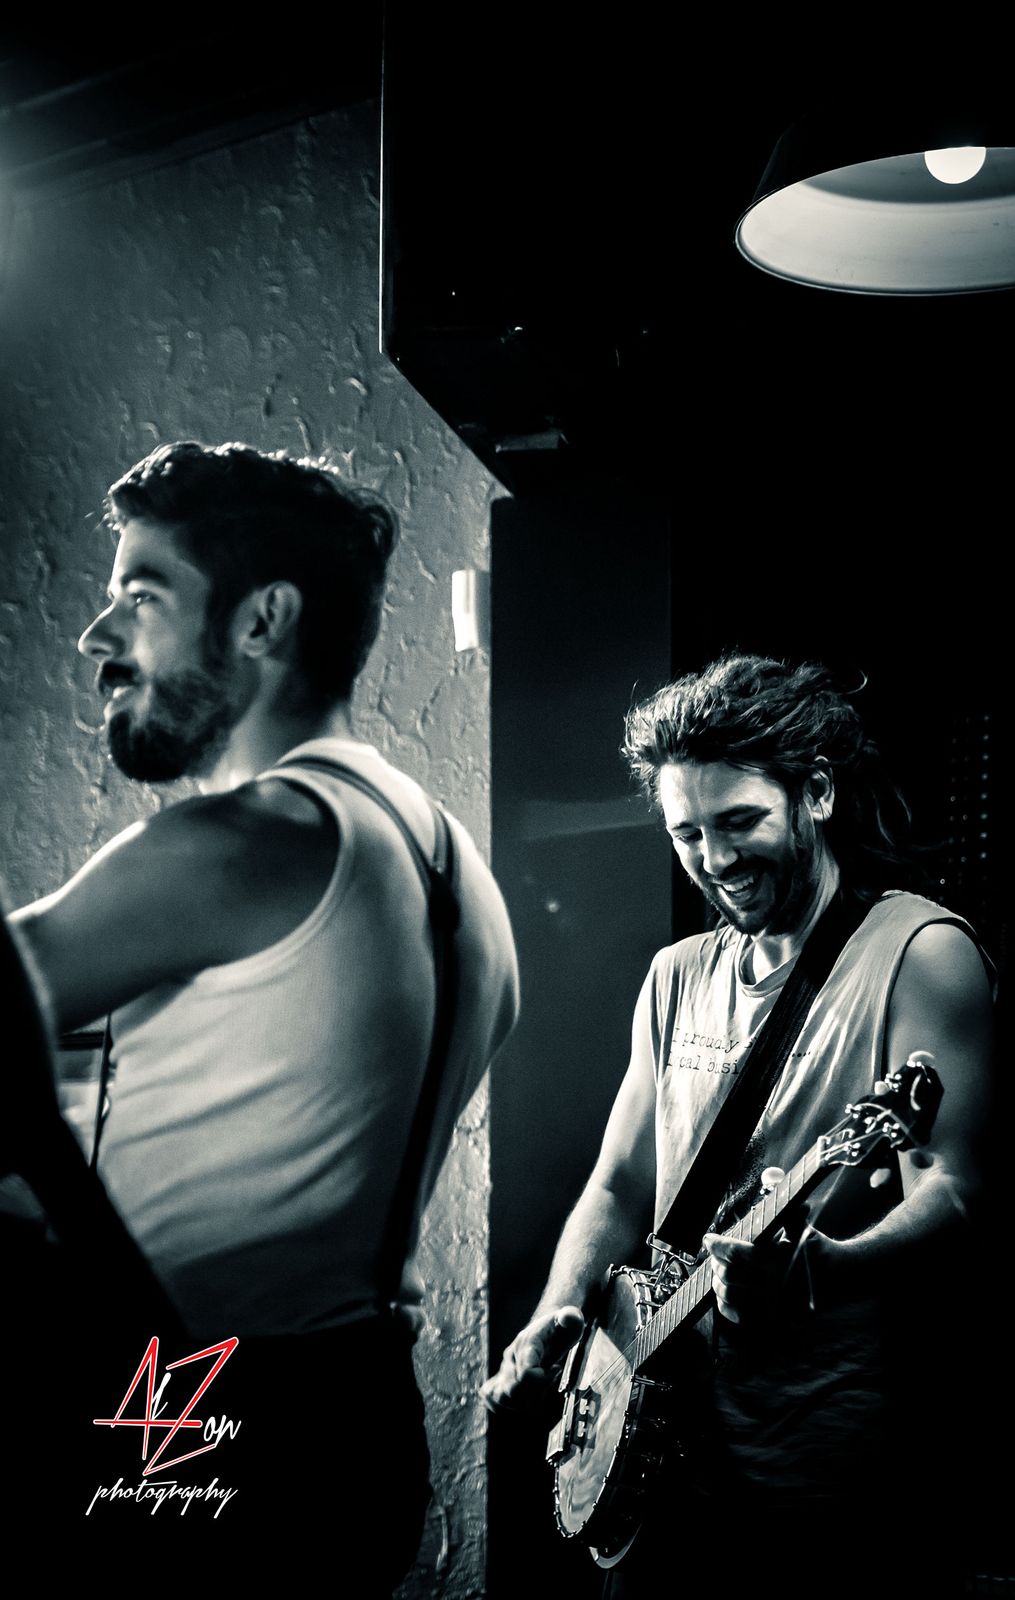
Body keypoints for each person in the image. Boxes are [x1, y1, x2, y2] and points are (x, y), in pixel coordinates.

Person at [5, 440, 519, 1589]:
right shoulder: (455, 869)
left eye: (142, 595)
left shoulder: (245, 842)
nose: (96, 637)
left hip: (193, 1406)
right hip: (356, 1420)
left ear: (261, 620)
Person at [483, 652, 995, 1600]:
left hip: (822, 1469)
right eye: (686, 833)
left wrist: (822, 1269)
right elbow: (619, 1182)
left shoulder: (919, 952)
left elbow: (956, 1192)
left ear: (817, 794)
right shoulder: (675, 975)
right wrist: (554, 1314)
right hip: (657, 1455)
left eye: (739, 822)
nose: (714, 860)